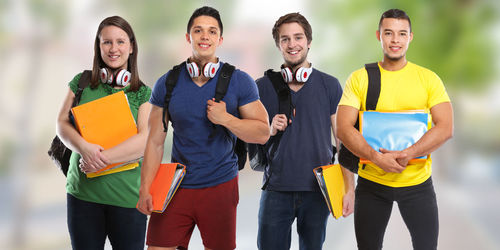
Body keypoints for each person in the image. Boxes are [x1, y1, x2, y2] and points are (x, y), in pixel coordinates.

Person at [136, 6, 270, 250]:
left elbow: (262, 133)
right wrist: (145, 188)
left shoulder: (240, 81)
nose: (204, 36)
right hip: (176, 186)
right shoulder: (167, 82)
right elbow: (155, 141)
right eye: (198, 30)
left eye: (211, 31)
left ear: (220, 40)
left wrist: (226, 119)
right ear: (189, 37)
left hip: (220, 185)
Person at [336, 9, 454, 250]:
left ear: (411, 37)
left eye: (402, 34)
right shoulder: (360, 79)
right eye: (389, 33)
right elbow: (343, 128)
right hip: (371, 183)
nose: (395, 40)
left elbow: (446, 127)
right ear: (378, 36)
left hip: (418, 184)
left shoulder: (428, 79)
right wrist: (376, 158)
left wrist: (408, 154)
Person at [256, 12, 355, 250]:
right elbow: (250, 136)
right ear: (278, 45)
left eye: (298, 37)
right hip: (275, 189)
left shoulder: (329, 85)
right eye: (285, 39)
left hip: (318, 190)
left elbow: (342, 140)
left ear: (308, 42)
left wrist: (349, 188)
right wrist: (268, 130)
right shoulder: (261, 87)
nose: (292, 44)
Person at [56, 16, 152, 249]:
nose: (113, 48)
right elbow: (61, 123)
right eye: (106, 42)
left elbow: (144, 141)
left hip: (128, 198)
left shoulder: (143, 93)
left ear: (131, 47)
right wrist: (85, 148)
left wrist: (100, 160)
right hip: (83, 196)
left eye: (120, 42)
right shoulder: (82, 82)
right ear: (98, 47)